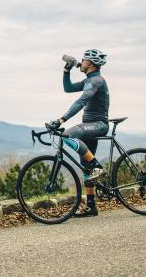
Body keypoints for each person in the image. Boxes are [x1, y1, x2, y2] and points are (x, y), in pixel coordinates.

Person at [49, 49, 110, 217]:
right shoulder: (88, 80)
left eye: (83, 60)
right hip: (89, 126)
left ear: (89, 63)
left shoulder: (96, 80)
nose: (81, 63)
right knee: (85, 167)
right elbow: (67, 89)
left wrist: (61, 119)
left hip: (98, 125)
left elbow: (81, 101)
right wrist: (66, 70)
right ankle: (91, 206)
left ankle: (98, 167)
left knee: (68, 134)